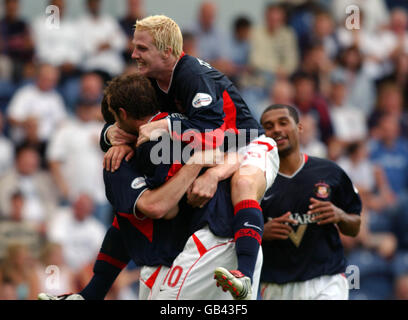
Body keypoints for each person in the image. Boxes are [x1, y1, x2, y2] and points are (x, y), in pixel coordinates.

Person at [101, 15, 279, 293]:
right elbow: (125, 114)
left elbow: (211, 131)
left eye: (142, 49)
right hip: (217, 151)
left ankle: (244, 273)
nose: (133, 54)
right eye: (135, 47)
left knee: (242, 184)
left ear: (168, 51)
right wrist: (112, 136)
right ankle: (92, 292)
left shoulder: (192, 75)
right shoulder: (155, 79)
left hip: (248, 144)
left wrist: (165, 125)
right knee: (132, 207)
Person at [259, 104, 362, 300]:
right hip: (276, 285)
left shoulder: (331, 172)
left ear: (299, 128)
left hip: (327, 280)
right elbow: (235, 234)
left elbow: (354, 227)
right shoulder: (256, 180)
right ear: (263, 136)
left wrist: (340, 216)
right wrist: (261, 233)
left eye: (283, 122)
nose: (277, 129)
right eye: (269, 126)